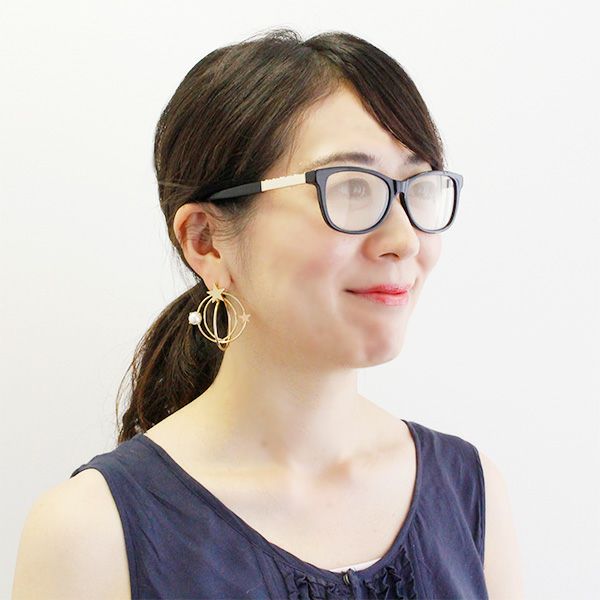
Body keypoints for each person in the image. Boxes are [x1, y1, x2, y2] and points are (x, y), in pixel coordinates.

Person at [12, 27, 524, 599]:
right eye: (352, 189)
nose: (403, 239)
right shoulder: (91, 533)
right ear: (206, 241)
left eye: (417, 186)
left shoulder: (470, 493)